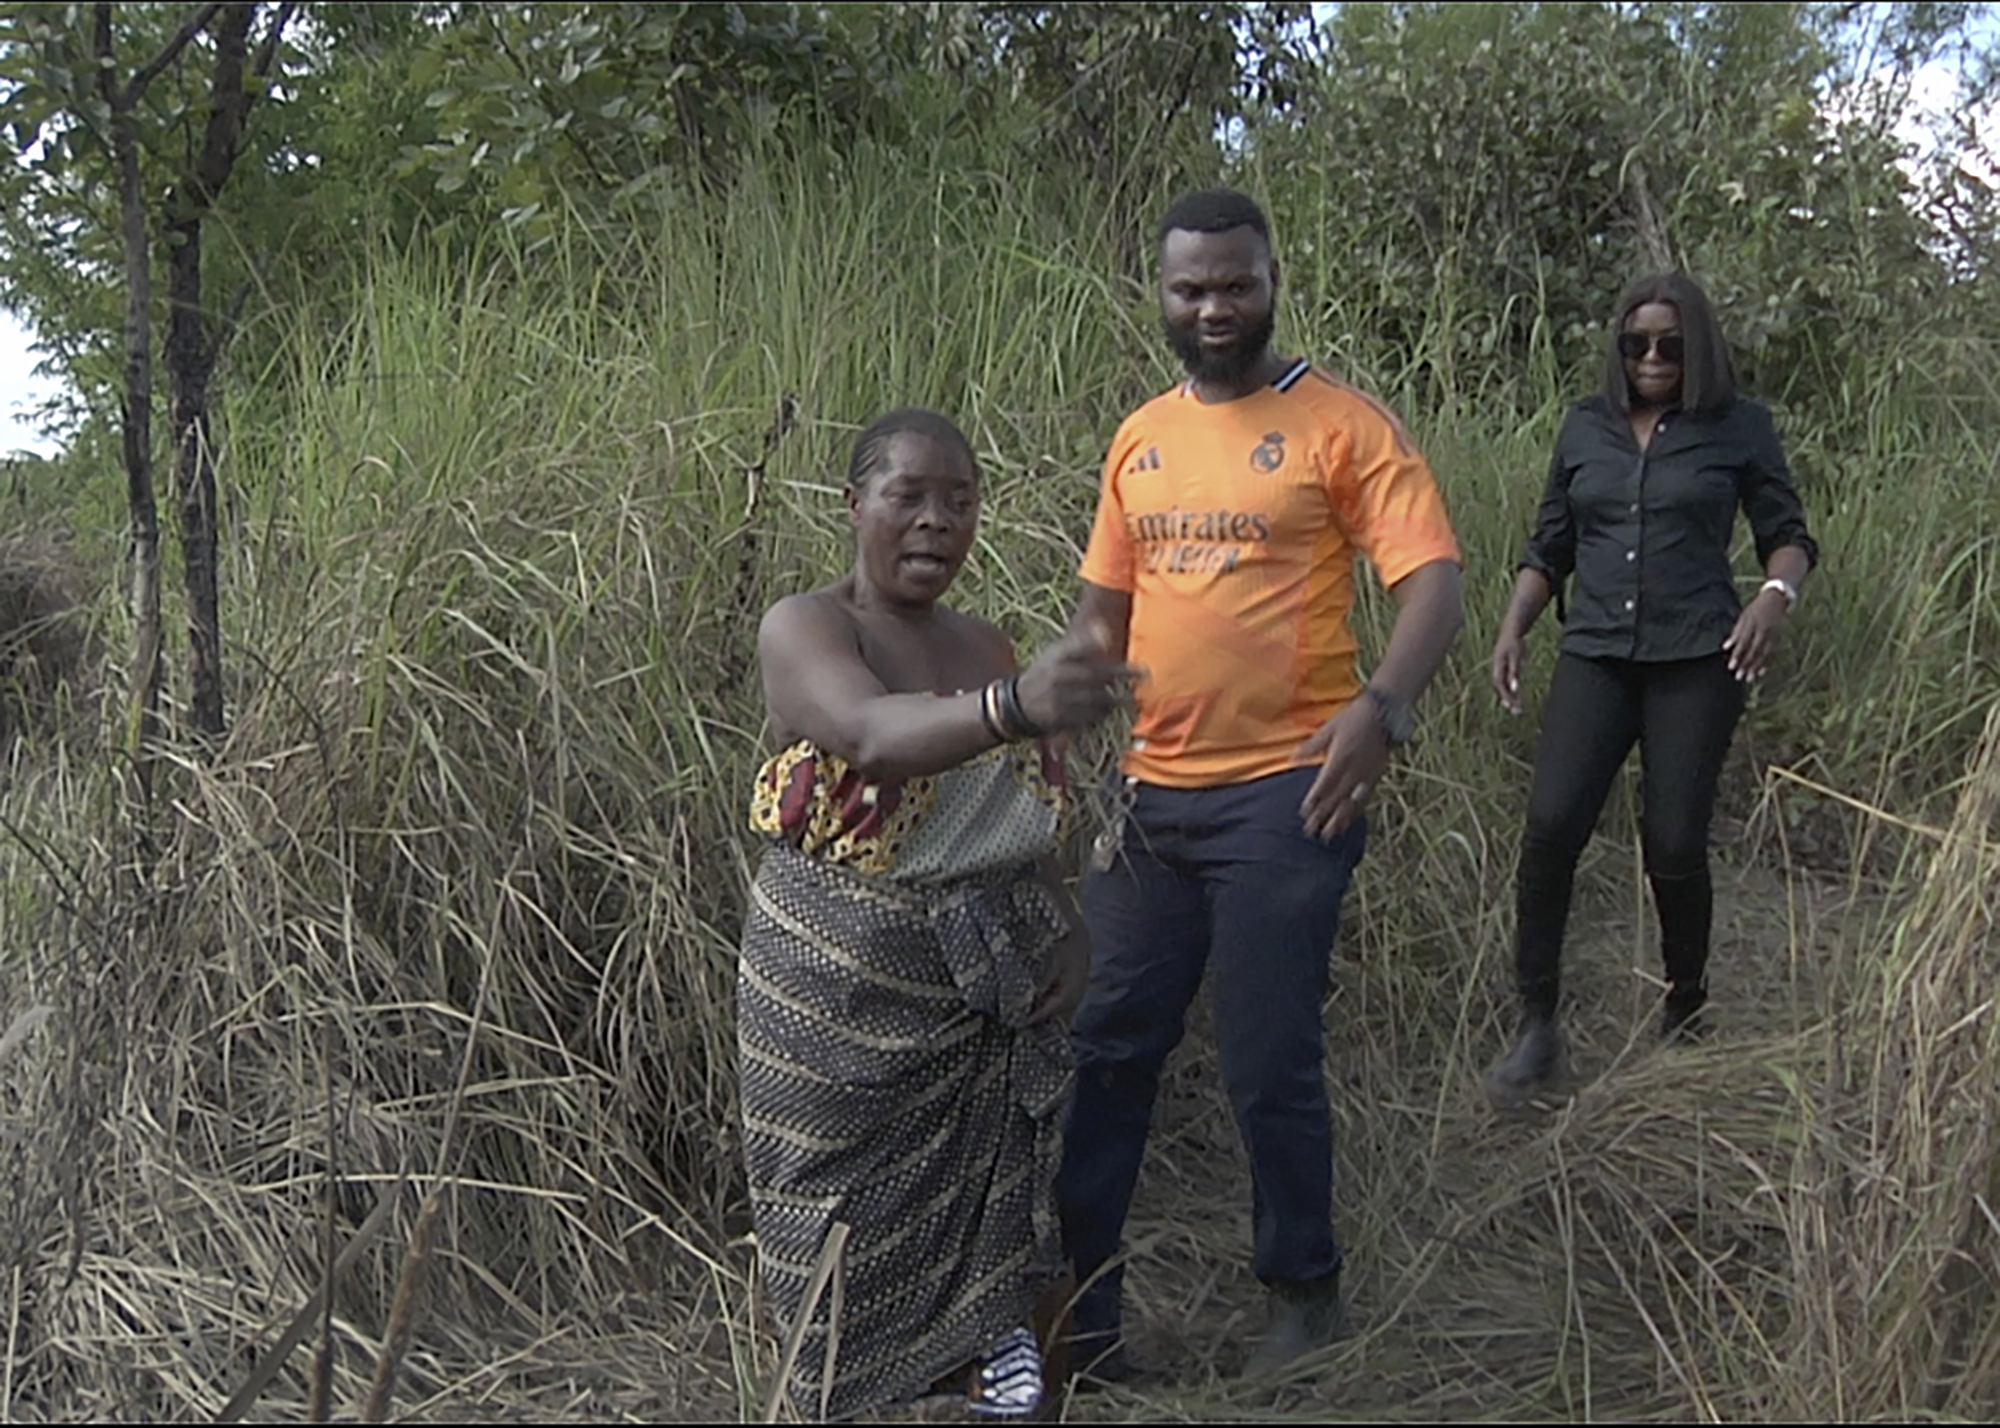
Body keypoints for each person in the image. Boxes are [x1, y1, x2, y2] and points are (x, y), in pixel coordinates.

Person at [1055, 189, 1466, 1381]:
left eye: (1233, 284)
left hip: (1291, 791)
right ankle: (1081, 1314)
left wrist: (1378, 713)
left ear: (1270, 279)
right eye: (1190, 288)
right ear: (1161, 295)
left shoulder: (1339, 425)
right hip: (1150, 796)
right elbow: (1101, 611)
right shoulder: (1138, 437)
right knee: (1104, 1046)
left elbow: (1431, 581)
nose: (1213, 308)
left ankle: (1302, 1292)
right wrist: (1060, 709)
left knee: (1263, 1049)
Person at [736, 407, 1135, 1421]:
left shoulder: (982, 641)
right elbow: (872, 735)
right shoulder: (807, 625)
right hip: (828, 993)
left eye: (958, 502)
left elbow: (1011, 813)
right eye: (907, 496)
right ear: (853, 504)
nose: (934, 522)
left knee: (989, 1211)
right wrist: (1013, 705)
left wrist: (1069, 927)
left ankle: (989, 1385)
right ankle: (848, 1397)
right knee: (830, 1212)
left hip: (972, 989)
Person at [1483, 273, 1818, 1104]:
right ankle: (1538, 1026)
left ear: (1695, 344)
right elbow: (1550, 542)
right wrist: (1515, 623)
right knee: (1553, 823)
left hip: (1698, 658)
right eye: (1636, 343)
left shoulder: (1739, 427)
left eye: (1670, 342)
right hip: (1595, 651)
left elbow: (1788, 536)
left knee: (1673, 839)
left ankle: (1685, 1007)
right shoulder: (1585, 428)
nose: (1653, 357)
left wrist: (1774, 599)